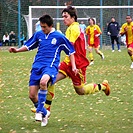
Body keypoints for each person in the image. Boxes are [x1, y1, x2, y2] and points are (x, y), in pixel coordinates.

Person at [31, 6, 111, 126]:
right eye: (63, 16)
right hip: (68, 62)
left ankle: (103, 86)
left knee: (80, 90)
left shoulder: (74, 28)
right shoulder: (71, 28)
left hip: (78, 65)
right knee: (49, 80)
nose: (64, 19)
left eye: (66, 16)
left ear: (73, 17)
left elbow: (69, 46)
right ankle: (46, 109)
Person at [8, 14, 78, 127]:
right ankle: (45, 113)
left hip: (50, 66)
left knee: (43, 82)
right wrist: (17, 50)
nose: (42, 29)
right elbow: (29, 46)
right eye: (41, 26)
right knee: (32, 95)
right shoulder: (39, 34)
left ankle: (39, 111)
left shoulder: (59, 36)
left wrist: (73, 66)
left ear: (50, 26)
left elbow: (71, 51)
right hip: (37, 66)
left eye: (44, 27)